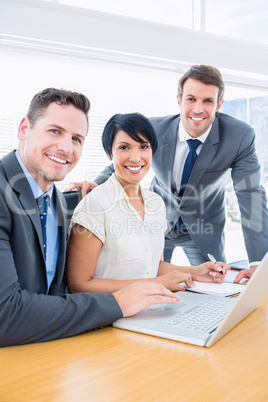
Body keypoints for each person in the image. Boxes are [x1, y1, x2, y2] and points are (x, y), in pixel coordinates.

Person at [0, 88, 182, 347]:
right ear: (23, 128)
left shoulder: (59, 201)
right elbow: (6, 314)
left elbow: (54, 290)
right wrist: (118, 302)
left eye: (76, 138)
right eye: (55, 131)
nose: (65, 147)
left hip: (49, 344)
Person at [66, 65, 268, 283]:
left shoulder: (238, 136)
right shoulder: (153, 129)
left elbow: (251, 194)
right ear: (179, 100)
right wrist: (98, 185)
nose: (198, 109)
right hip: (155, 221)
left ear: (219, 104)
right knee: (152, 277)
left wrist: (258, 262)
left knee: (216, 283)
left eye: (208, 101)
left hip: (203, 225)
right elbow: (124, 158)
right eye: (191, 99)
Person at [66, 113, 228, 295]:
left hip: (151, 308)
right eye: (124, 147)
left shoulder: (155, 203)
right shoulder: (95, 205)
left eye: (144, 146)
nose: (136, 158)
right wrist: (155, 283)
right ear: (109, 153)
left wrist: (195, 272)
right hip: (110, 314)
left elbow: (153, 266)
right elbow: (79, 285)